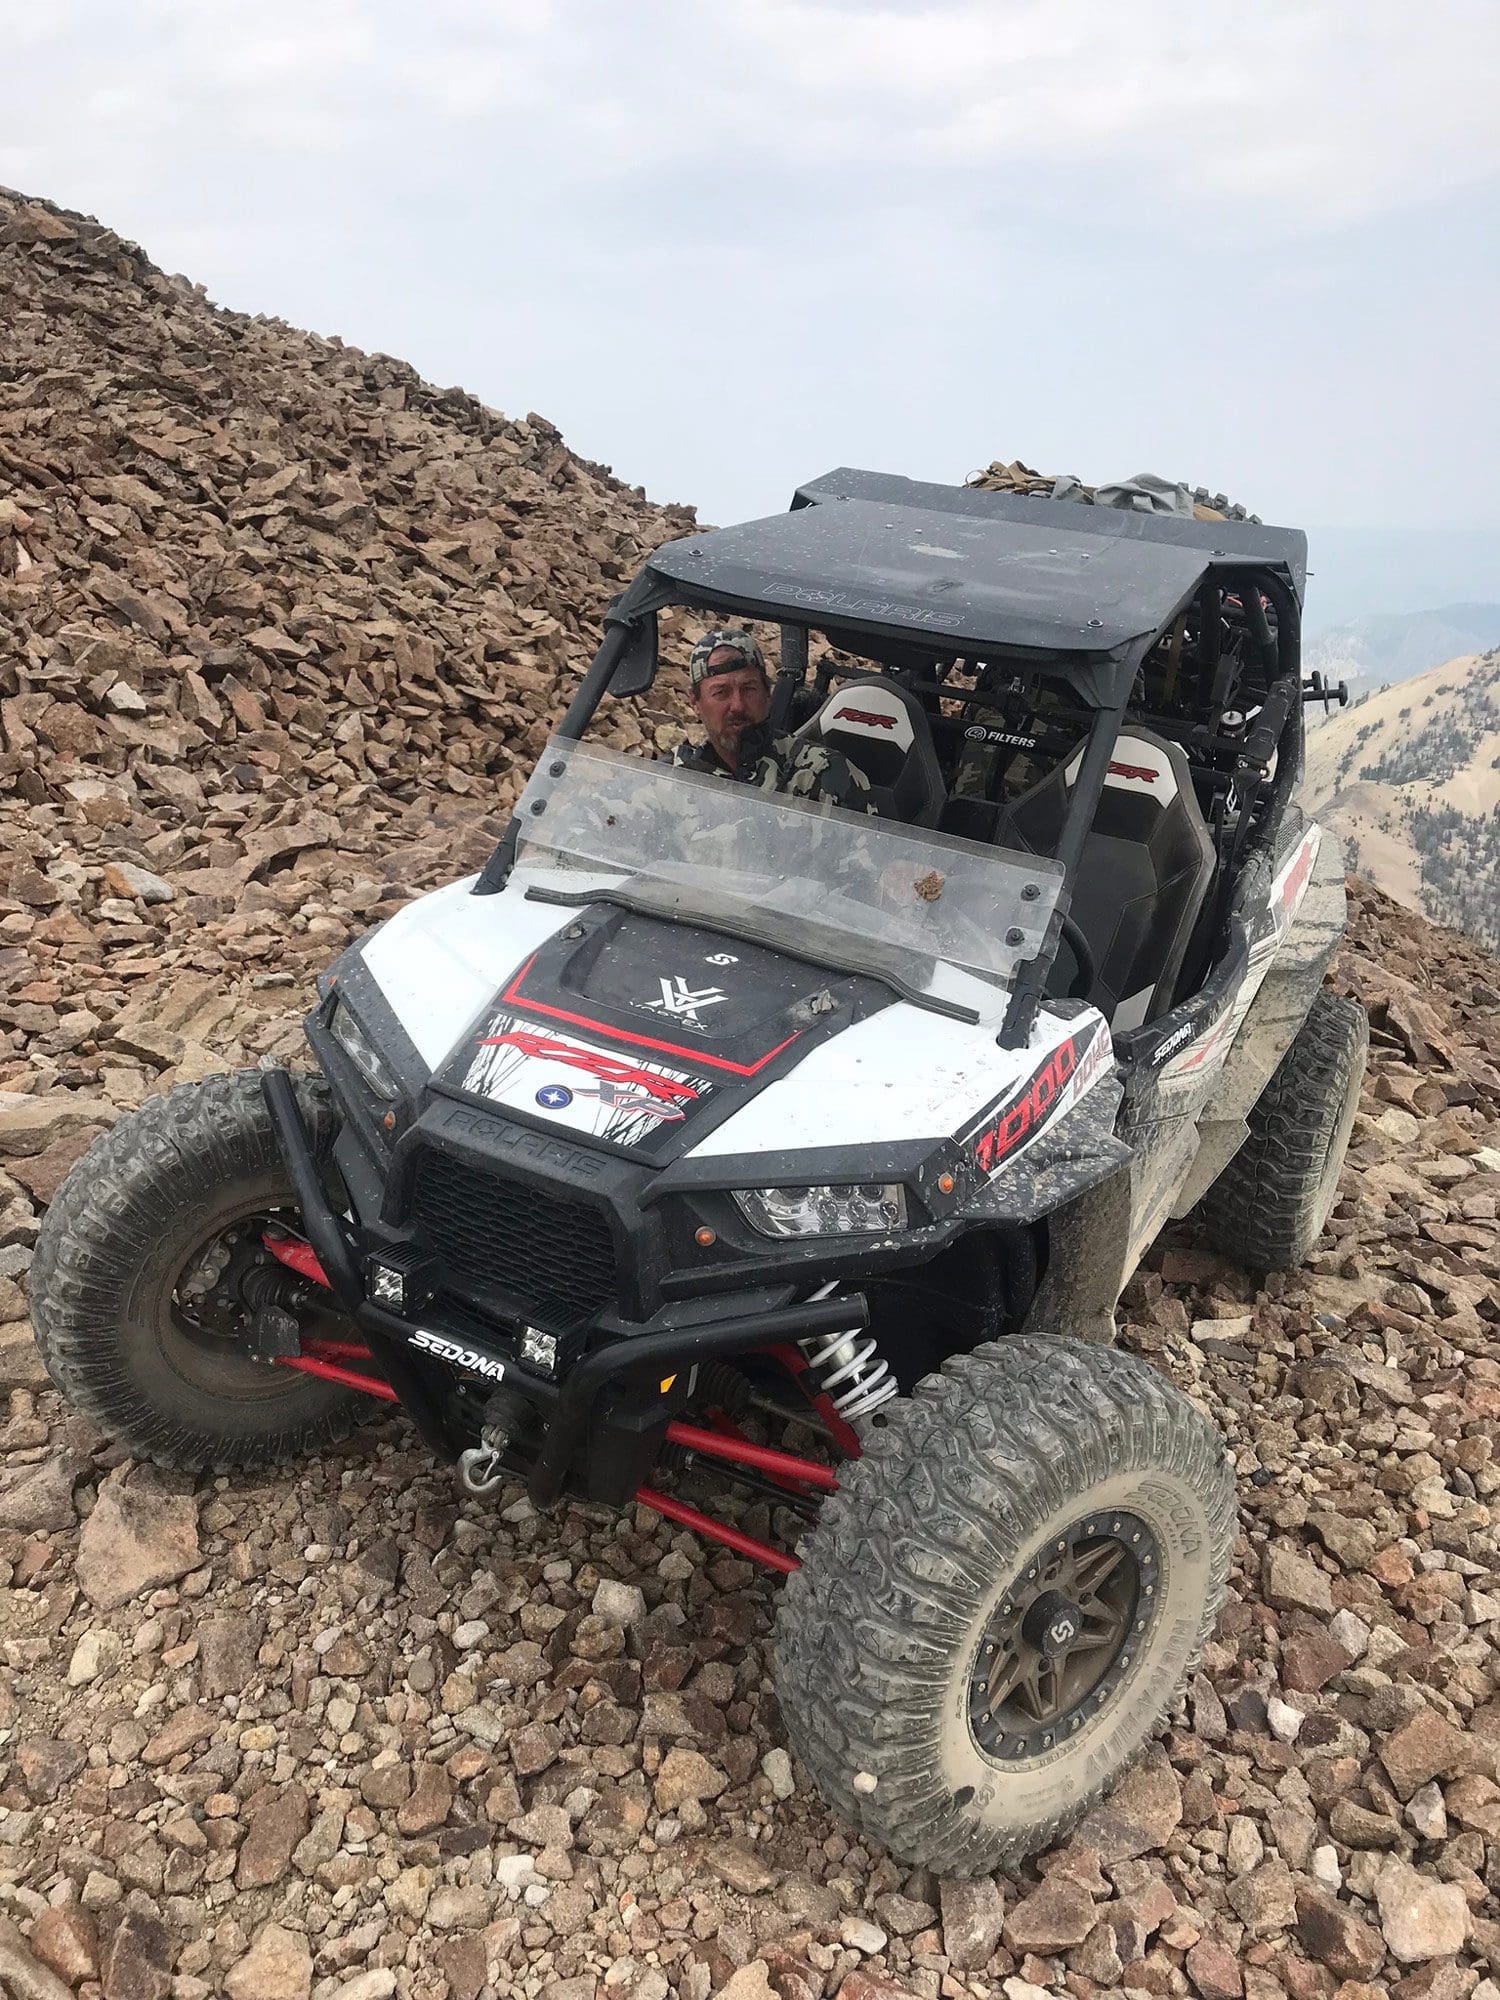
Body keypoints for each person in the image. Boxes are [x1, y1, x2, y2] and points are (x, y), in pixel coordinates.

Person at [672, 628, 877, 814]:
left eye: (749, 689)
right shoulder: (673, 779)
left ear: (767, 694)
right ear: (695, 703)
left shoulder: (823, 773)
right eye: (721, 692)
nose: (737, 705)